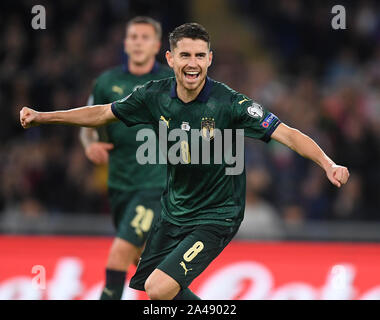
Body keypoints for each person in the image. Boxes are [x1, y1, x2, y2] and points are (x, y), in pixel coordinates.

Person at [20, 23, 350, 300]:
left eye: (199, 56)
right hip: (175, 210)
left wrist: (327, 163)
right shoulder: (153, 95)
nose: (192, 64)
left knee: (159, 288)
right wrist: (44, 117)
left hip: (217, 214)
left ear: (209, 59)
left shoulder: (230, 103)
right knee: (153, 288)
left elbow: (288, 134)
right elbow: (103, 113)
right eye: (185, 55)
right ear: (170, 58)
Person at [79, 16, 172, 300]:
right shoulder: (107, 82)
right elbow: (88, 121)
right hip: (120, 185)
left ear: (156, 45)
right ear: (126, 43)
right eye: (133, 37)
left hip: (156, 185)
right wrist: (89, 144)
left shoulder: (169, 83)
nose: (138, 42)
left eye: (145, 37)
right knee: (147, 267)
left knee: (119, 252)